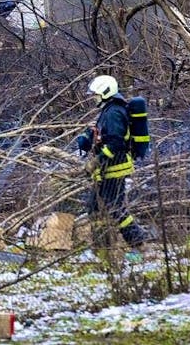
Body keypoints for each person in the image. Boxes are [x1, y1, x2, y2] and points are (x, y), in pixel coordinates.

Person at [77, 74, 149, 255]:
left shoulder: (114, 112)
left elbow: (116, 143)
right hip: (106, 169)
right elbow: (104, 136)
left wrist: (97, 161)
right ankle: (101, 246)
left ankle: (137, 242)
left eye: (95, 94)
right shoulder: (108, 110)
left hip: (114, 168)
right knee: (94, 206)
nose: (93, 97)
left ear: (104, 92)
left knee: (114, 206)